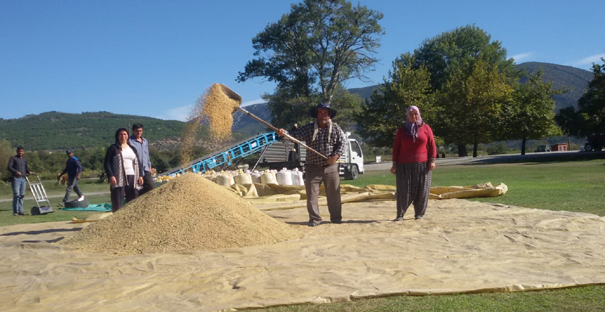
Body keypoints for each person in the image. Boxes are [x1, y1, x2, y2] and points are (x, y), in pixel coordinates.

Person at [277, 103, 346, 227]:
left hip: (331, 168)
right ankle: (315, 219)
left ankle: (336, 218)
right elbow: (295, 136)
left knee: (334, 195)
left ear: (329, 115)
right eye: (320, 113)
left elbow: (342, 144)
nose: (323, 115)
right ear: (317, 114)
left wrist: (335, 157)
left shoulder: (336, 128)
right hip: (312, 168)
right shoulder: (309, 128)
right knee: (312, 196)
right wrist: (284, 133)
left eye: (326, 113)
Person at [390, 106, 437, 221]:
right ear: (407, 116)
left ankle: (419, 214)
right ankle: (400, 214)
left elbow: (432, 145)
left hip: (423, 165)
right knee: (403, 190)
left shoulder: (426, 128)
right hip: (404, 165)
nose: (413, 116)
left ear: (419, 115)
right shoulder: (401, 131)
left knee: (422, 190)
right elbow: (396, 148)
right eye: (411, 114)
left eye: (416, 114)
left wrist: (432, 160)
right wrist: (394, 164)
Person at [104, 128, 144, 212]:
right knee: (117, 199)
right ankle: (116, 219)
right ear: (117, 136)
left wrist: (140, 175)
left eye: (125, 134)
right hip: (119, 176)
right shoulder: (113, 148)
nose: (123, 136)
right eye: (121, 134)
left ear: (128, 136)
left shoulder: (132, 149)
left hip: (132, 175)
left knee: (133, 199)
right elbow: (106, 163)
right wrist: (111, 176)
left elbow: (138, 162)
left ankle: (131, 219)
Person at [128, 123, 154, 195]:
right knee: (135, 187)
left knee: (150, 184)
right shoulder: (130, 141)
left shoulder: (145, 141)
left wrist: (149, 166)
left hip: (145, 168)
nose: (139, 133)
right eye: (137, 131)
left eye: (140, 131)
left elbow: (147, 155)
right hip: (134, 168)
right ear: (133, 131)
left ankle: (140, 196)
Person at [7, 146, 33, 216]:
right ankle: (15, 211)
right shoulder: (13, 158)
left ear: (23, 152)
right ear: (17, 151)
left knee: (22, 195)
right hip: (16, 179)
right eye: (19, 151)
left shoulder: (24, 159)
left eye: (22, 151)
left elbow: (25, 168)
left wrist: (29, 172)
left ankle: (21, 211)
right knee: (16, 194)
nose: (20, 152)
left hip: (23, 178)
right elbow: (9, 167)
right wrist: (16, 172)